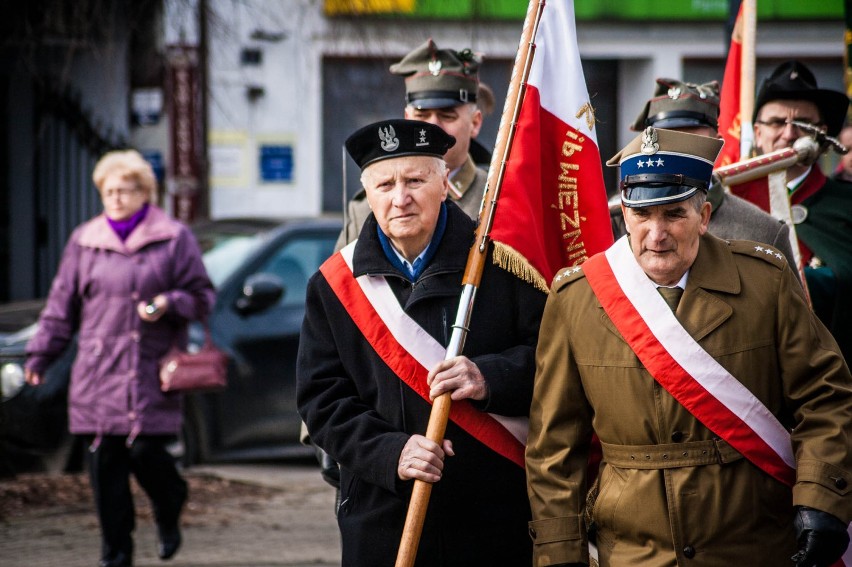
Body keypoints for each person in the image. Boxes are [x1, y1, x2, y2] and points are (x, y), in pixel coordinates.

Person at [526, 127, 852, 567]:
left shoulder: (765, 283)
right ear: (624, 214)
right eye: (642, 214)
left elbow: (825, 398)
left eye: (673, 214)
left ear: (703, 215)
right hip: (634, 552)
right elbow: (555, 446)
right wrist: (559, 549)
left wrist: (822, 497)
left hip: (751, 544)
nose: (656, 233)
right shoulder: (577, 299)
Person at [297, 119, 546, 566]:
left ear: (445, 182)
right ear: (366, 193)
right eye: (385, 184)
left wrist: (490, 375)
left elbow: (555, 362)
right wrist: (391, 451)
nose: (400, 198)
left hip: (494, 516)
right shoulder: (334, 285)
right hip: (382, 516)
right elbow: (321, 400)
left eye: (415, 180)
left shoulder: (503, 265)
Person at [24, 149, 215, 567]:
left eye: (125, 190)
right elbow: (61, 306)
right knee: (105, 468)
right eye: (108, 191)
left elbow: (203, 297)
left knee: (147, 453)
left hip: (149, 369)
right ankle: (116, 556)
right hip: (97, 371)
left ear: (145, 193)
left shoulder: (173, 237)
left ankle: (170, 504)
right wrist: (40, 356)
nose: (115, 198)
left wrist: (169, 302)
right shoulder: (84, 240)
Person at [611, 77, 797, 268]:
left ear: (716, 143)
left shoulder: (764, 231)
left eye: (691, 138)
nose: (678, 149)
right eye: (665, 138)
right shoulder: (614, 218)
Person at [334, 38, 488, 249]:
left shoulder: (497, 199)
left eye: (447, 116)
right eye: (422, 115)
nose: (433, 127)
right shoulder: (364, 210)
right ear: (407, 118)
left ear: (475, 123)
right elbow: (342, 280)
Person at [751, 60, 852, 359]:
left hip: (834, 363)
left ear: (822, 134)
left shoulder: (846, 202)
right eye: (777, 122)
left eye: (803, 124)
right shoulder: (729, 200)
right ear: (758, 133)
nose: (789, 133)